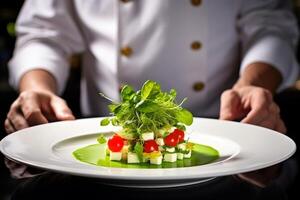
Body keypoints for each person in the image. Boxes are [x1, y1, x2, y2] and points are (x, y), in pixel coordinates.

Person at [3, 0, 299, 191]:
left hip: (229, 148)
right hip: (92, 168)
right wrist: (37, 89)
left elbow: (271, 23)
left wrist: (252, 84)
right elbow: (43, 31)